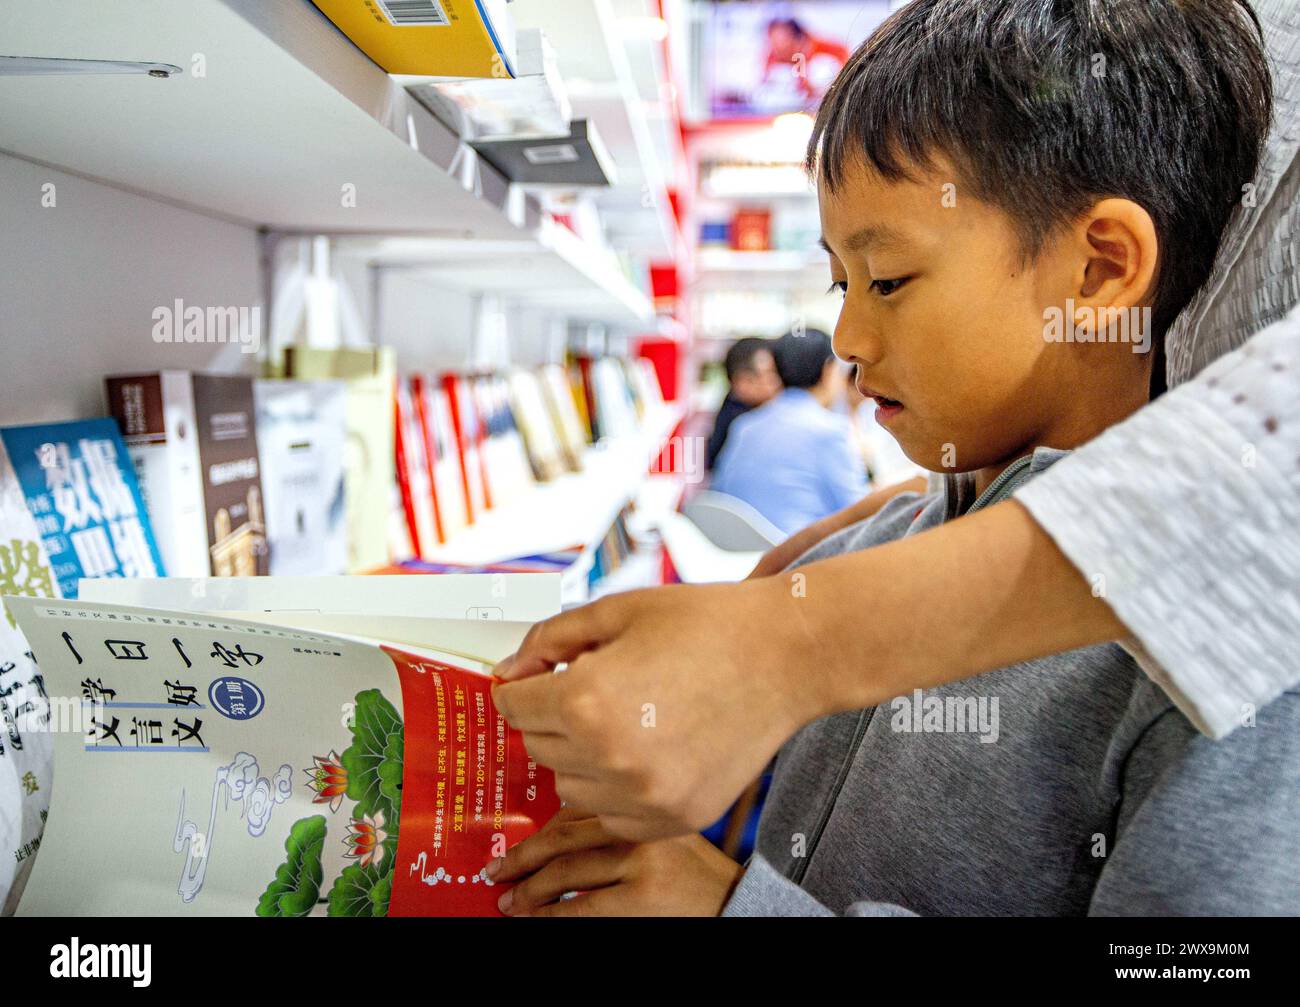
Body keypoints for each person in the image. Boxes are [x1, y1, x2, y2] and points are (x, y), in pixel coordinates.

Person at [490, 0, 1300, 851]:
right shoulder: (853, 558)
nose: (846, 340)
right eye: (842, 284)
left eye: (888, 279)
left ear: (1098, 268)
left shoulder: (1207, 668)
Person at [711, 330, 867, 535]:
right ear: (828, 371)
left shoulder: (744, 426)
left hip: (738, 553)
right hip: (800, 556)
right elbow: (861, 511)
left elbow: (721, 492)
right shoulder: (829, 430)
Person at [705, 337, 781, 472]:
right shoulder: (742, 427)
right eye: (770, 373)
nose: (777, 381)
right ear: (742, 382)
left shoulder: (735, 405)